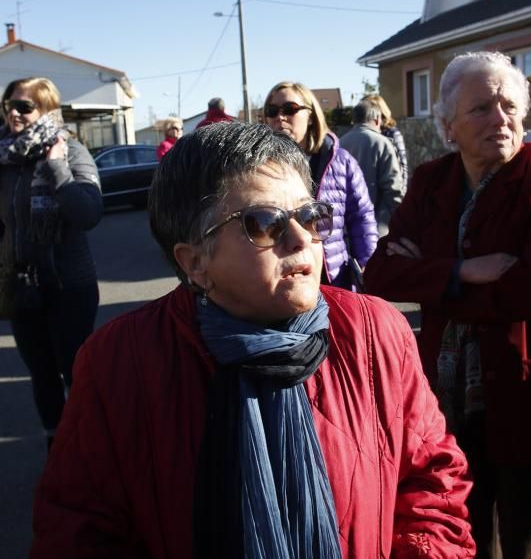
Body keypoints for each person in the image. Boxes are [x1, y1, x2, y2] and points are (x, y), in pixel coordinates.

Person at [31, 122, 475, 557]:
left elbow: (434, 483)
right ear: (195, 261)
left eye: (310, 215)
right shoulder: (119, 362)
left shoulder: (374, 330)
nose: (302, 239)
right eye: (265, 223)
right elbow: (77, 529)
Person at [364, 52, 531, 559]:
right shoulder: (431, 181)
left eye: (510, 105)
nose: (501, 118)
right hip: (447, 401)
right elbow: (380, 272)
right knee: (464, 533)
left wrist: (431, 277)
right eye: (481, 108)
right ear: (449, 126)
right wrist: (462, 269)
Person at [0, 77, 103, 449]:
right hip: (20, 286)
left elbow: (89, 212)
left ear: (46, 109)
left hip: (67, 286)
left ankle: (89, 449)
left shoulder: (70, 150)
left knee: (76, 376)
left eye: (24, 106)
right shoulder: (2, 158)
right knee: (41, 375)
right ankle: (56, 450)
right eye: (8, 105)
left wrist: (57, 169)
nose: (13, 112)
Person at [264, 81, 377, 290]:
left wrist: (367, 262)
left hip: (334, 278)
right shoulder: (259, 169)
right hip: (284, 280)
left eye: (290, 109)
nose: (280, 117)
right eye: (272, 111)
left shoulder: (340, 161)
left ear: (310, 116)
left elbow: (361, 216)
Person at [339, 98, 404, 235]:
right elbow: (393, 188)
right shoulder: (382, 143)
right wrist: (403, 221)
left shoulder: (340, 143)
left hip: (346, 227)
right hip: (377, 227)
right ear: (377, 119)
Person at [367, 93, 410, 186]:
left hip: (390, 187)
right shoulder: (366, 134)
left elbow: (403, 164)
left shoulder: (392, 134)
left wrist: (403, 190)